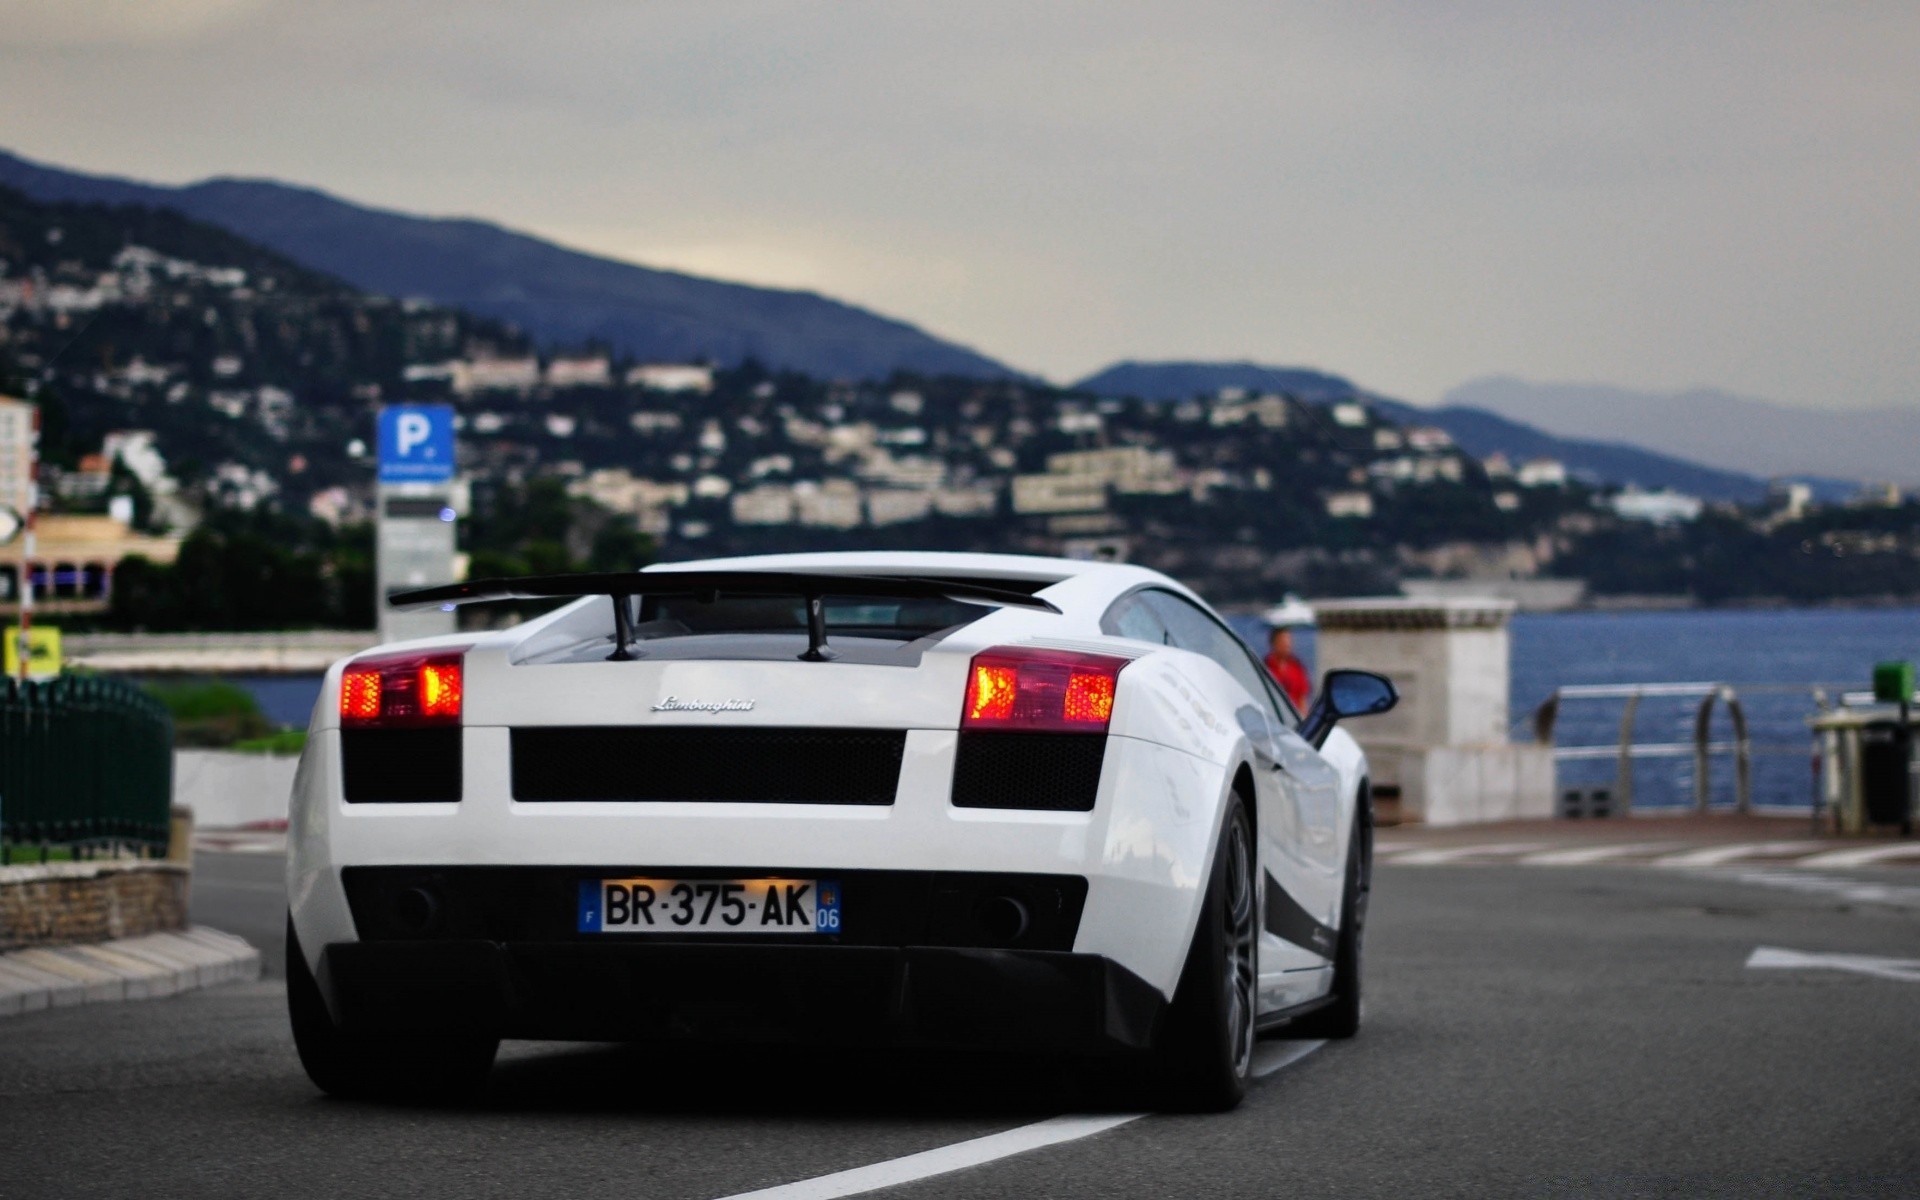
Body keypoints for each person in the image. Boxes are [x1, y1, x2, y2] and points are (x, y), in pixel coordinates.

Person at [1265, 624, 1311, 712]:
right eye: (1283, 641)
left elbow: (1302, 699)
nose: (1287, 644)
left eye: (1289, 640)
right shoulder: (1266, 668)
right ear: (1274, 643)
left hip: (1294, 717)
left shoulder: (1297, 667)